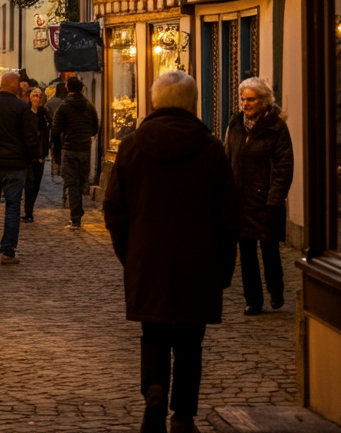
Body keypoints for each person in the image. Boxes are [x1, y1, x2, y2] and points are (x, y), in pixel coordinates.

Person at [103, 71, 241, 433]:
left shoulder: (132, 146)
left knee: (154, 333)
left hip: (148, 257)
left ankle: (154, 391)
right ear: (192, 103)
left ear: (155, 101)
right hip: (199, 259)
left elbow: (114, 209)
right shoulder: (210, 149)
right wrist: (223, 266)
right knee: (190, 340)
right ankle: (183, 415)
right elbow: (229, 215)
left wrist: (130, 255)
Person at [226, 77, 294, 315]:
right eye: (243, 99)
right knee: (246, 252)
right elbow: (228, 157)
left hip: (265, 200)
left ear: (264, 101)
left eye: (251, 99)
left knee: (269, 248)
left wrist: (274, 198)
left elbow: (284, 166)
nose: (245, 104)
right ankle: (253, 299)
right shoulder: (236, 125)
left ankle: (276, 290)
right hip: (241, 200)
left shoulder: (276, 127)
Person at [0, 70, 40, 264]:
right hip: (15, 164)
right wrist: (30, 158)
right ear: (15, 86)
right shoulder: (22, 108)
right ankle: (8, 251)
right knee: (12, 208)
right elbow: (30, 137)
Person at [50, 76, 99, 229]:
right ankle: (78, 209)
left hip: (70, 148)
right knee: (81, 182)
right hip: (84, 148)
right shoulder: (89, 106)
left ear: (68, 88)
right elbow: (95, 128)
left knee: (72, 183)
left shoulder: (64, 107)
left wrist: (56, 150)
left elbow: (55, 131)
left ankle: (75, 217)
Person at [23, 86, 51, 223]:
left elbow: (49, 131)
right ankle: (28, 211)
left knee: (36, 183)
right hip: (27, 153)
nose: (37, 98)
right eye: (35, 95)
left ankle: (30, 209)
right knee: (29, 182)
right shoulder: (25, 112)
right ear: (29, 97)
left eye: (40, 96)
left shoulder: (44, 114)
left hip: (40, 153)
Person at [45, 81, 68, 180]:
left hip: (53, 129)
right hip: (65, 132)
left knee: (55, 149)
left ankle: (55, 170)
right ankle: (62, 170)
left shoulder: (50, 102)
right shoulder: (65, 102)